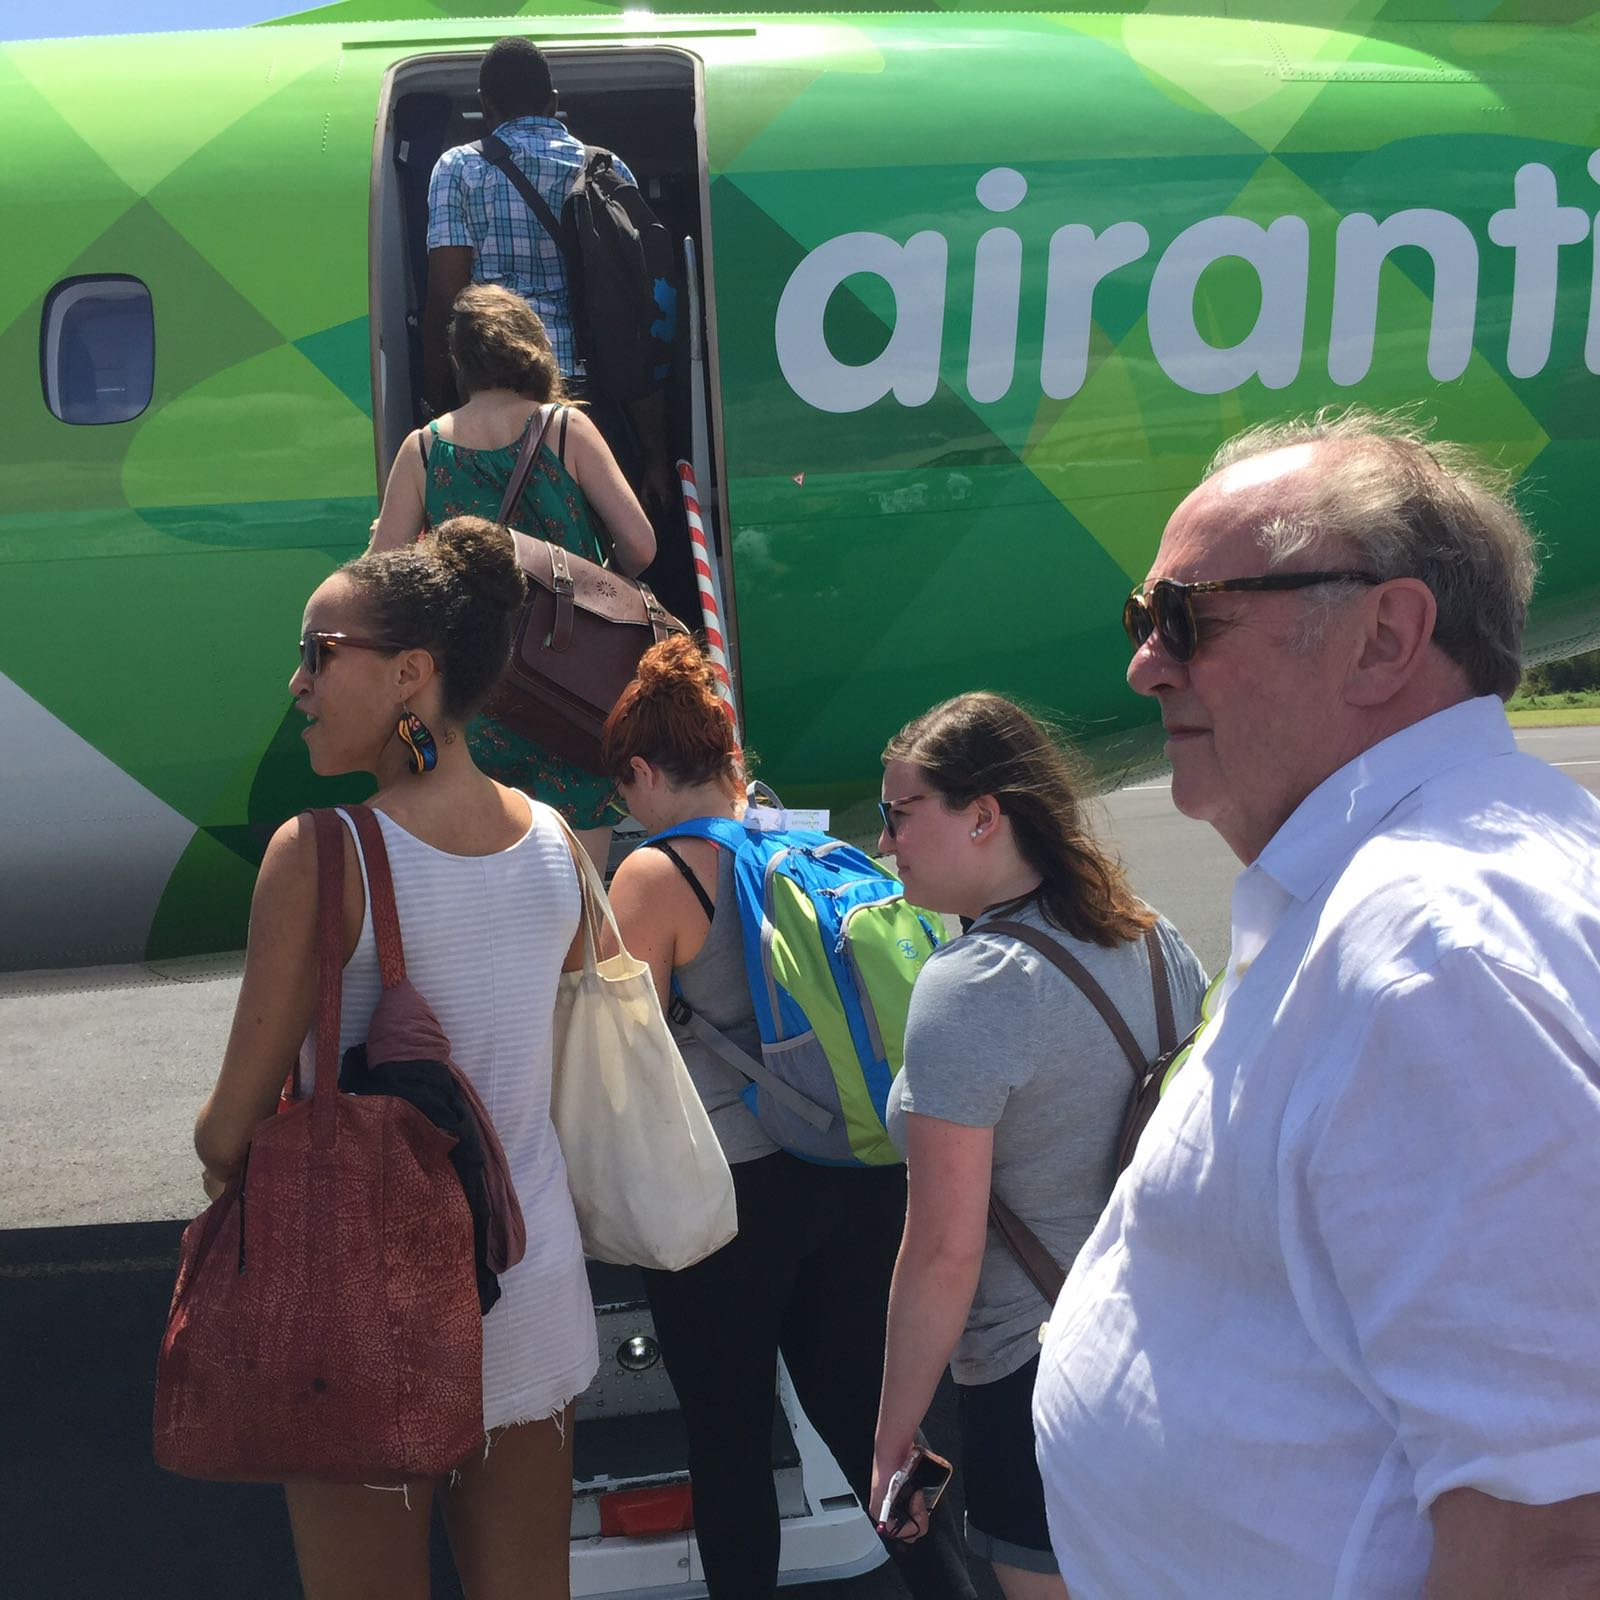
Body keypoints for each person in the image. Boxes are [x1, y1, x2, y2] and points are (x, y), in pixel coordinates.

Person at [1032, 409, 1600, 1600]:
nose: (1143, 662)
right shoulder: (1397, 893)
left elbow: (1556, 1536)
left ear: (1386, 638)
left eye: (1184, 616)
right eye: (1144, 620)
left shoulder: (1436, 962)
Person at [193, 515, 599, 1600]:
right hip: (532, 1285)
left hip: (365, 1311)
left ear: (411, 673)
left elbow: (227, 1134)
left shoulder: (321, 852)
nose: (299, 684)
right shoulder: (557, 838)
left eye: (320, 654)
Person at [602, 637, 979, 1600]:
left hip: (731, 1201)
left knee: (728, 1441)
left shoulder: (657, 875)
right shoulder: (819, 848)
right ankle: (952, 1588)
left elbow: (626, 1056)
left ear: (646, 771)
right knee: (874, 1432)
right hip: (856, 1175)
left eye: (625, 788)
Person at [867, 692, 1206, 1599]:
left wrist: (896, 1430)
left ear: (984, 816)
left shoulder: (971, 985)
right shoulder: (1152, 934)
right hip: (1169, 1349)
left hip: (1038, 1373)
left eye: (900, 815)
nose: (887, 842)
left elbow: (943, 1248)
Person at [373, 281, 655, 872]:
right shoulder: (563, 429)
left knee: (490, 891)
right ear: (530, 347)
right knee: (582, 906)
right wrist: (591, 580)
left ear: (461, 364)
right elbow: (640, 545)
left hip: (475, 697)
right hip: (572, 686)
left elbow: (382, 584)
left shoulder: (422, 451)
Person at [422, 35, 672, 509]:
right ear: (554, 103)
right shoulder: (607, 167)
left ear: (485, 107)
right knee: (592, 551)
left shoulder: (458, 168)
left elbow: (446, 300)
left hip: (499, 393)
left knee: (508, 556)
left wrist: (437, 410)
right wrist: (656, 450)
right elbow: (640, 311)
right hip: (593, 393)